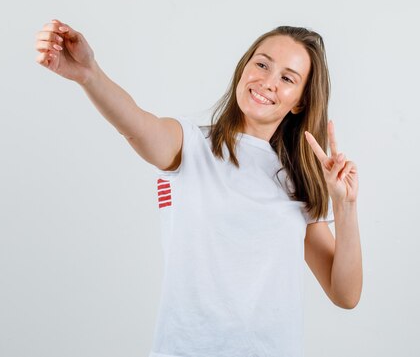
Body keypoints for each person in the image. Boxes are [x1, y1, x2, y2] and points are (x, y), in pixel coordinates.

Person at [34, 19, 362, 357]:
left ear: (300, 101)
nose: (267, 81)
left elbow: (345, 294)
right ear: (244, 68)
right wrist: (90, 73)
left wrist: (345, 205)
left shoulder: (298, 182)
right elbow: (134, 123)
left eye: (287, 78)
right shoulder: (190, 145)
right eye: (262, 64)